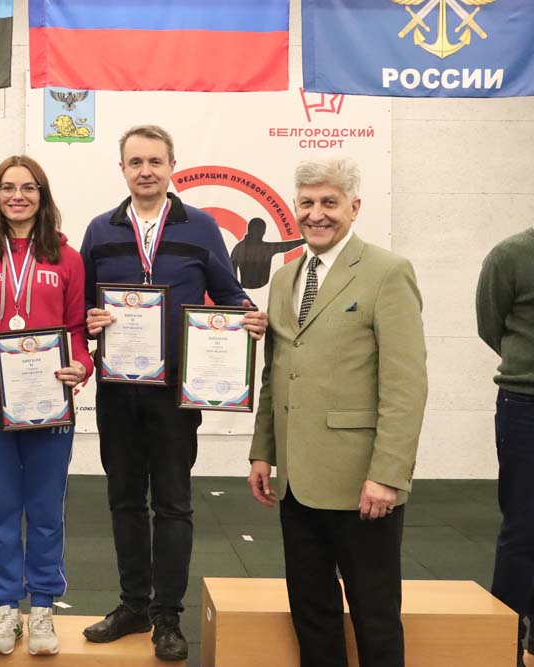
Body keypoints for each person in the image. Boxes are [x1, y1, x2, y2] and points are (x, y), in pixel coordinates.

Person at [80, 125, 267, 662]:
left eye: (155, 162)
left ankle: (167, 617)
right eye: (135, 162)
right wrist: (89, 319)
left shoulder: (201, 226)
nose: (146, 171)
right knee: (123, 501)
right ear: (122, 169)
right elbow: (82, 304)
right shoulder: (100, 229)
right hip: (118, 391)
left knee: (173, 504)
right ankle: (132, 606)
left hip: (175, 395)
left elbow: (228, 293)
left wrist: (246, 318)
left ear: (171, 167)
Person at [247, 156, 427, 667]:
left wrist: (387, 475)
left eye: (330, 202)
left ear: (355, 206)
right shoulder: (285, 279)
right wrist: (263, 452)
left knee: (374, 615)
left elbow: (406, 385)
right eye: (307, 203)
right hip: (295, 481)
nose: (316, 214)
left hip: (361, 483)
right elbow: (277, 372)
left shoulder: (388, 273)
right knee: (312, 612)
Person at [0, 155, 92, 656]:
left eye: (28, 187)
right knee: (1, 506)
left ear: (42, 195)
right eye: (8, 187)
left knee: (46, 507)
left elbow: (76, 330)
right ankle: (7, 606)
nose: (18, 196)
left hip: (48, 399)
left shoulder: (66, 258)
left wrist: (82, 366)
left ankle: (43, 606)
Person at [476, 226, 534, 667]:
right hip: (525, 404)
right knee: (523, 527)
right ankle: (504, 642)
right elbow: (490, 326)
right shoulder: (511, 254)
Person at [230, 217, 307, 289]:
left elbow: (285, 246)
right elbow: (232, 266)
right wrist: (235, 287)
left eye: (260, 230)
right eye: (256, 230)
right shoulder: (240, 248)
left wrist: (305, 240)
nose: (258, 233)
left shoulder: (265, 248)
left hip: (262, 286)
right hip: (249, 286)